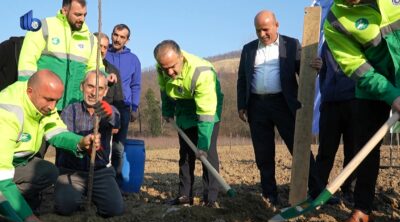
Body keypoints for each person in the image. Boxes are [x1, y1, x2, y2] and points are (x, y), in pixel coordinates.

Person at [236, 10, 325, 206]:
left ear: (277, 25)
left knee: (299, 147)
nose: (262, 34)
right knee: (263, 152)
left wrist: (317, 67)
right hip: (257, 106)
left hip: (284, 104)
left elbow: (305, 68)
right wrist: (241, 104)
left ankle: (317, 190)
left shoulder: (291, 45)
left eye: (265, 29)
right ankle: (270, 194)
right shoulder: (248, 49)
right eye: (258, 30)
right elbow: (242, 78)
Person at [324, 0, 399, 222]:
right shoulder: (334, 20)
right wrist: (392, 95)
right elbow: (355, 65)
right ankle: (363, 208)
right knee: (365, 148)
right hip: (372, 86)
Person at [0, 69, 101, 222]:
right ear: (30, 91)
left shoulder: (43, 103)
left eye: (56, 101)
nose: (53, 107)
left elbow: (56, 131)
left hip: (15, 163)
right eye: (48, 100)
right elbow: (2, 179)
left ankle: (8, 201)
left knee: (47, 172)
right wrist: (28, 217)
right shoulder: (7, 114)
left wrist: (80, 142)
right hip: (2, 169)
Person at [154, 40, 223, 208]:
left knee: (208, 152)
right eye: (165, 68)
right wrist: (167, 111)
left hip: (207, 106)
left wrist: (203, 144)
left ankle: (210, 197)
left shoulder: (202, 73)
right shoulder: (161, 67)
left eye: (173, 66)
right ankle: (185, 195)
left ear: (181, 57)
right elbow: (165, 90)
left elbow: (205, 113)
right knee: (185, 152)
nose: (169, 72)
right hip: (183, 104)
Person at [17, 0, 116, 111]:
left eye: (84, 15)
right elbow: (26, 65)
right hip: (44, 106)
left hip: (75, 109)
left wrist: (105, 76)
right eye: (78, 14)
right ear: (65, 11)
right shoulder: (43, 27)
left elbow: (94, 68)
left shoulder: (91, 39)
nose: (82, 19)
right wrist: (28, 98)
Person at [54, 71, 124, 217]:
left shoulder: (110, 111)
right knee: (64, 208)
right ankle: (76, 196)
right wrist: (83, 143)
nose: (94, 93)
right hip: (71, 172)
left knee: (114, 210)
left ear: (105, 91)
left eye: (99, 89)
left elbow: (115, 119)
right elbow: (63, 140)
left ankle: (94, 196)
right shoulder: (69, 111)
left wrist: (108, 112)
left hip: (100, 172)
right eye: (90, 86)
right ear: (82, 87)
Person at [315, 42, 356, 203]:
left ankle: (350, 191)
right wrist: (326, 92)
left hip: (354, 101)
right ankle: (318, 190)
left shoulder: (359, 36)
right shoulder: (328, 43)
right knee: (326, 149)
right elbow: (323, 71)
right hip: (330, 103)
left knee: (353, 149)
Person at [105, 24, 142, 186]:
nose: (117, 39)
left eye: (122, 37)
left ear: (128, 39)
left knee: (119, 148)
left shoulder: (133, 60)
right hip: (103, 105)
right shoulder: (103, 53)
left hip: (123, 106)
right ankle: (100, 181)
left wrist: (134, 108)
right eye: (115, 35)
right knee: (101, 144)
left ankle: (116, 184)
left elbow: (136, 85)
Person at [93, 32, 124, 109]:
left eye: (105, 47)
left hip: (106, 117)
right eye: (99, 46)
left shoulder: (113, 71)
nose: (102, 51)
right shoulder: (82, 66)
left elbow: (118, 100)